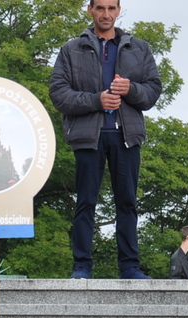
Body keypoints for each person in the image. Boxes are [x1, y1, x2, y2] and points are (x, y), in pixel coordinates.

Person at [49, 0, 163, 280]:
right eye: (100, 8)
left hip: (126, 136)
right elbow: (59, 94)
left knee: (127, 202)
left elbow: (152, 92)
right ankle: (81, 267)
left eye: (111, 8)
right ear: (90, 10)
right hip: (88, 137)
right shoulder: (70, 49)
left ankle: (130, 267)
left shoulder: (140, 48)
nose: (106, 14)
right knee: (85, 202)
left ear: (119, 10)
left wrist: (131, 89)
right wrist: (96, 101)